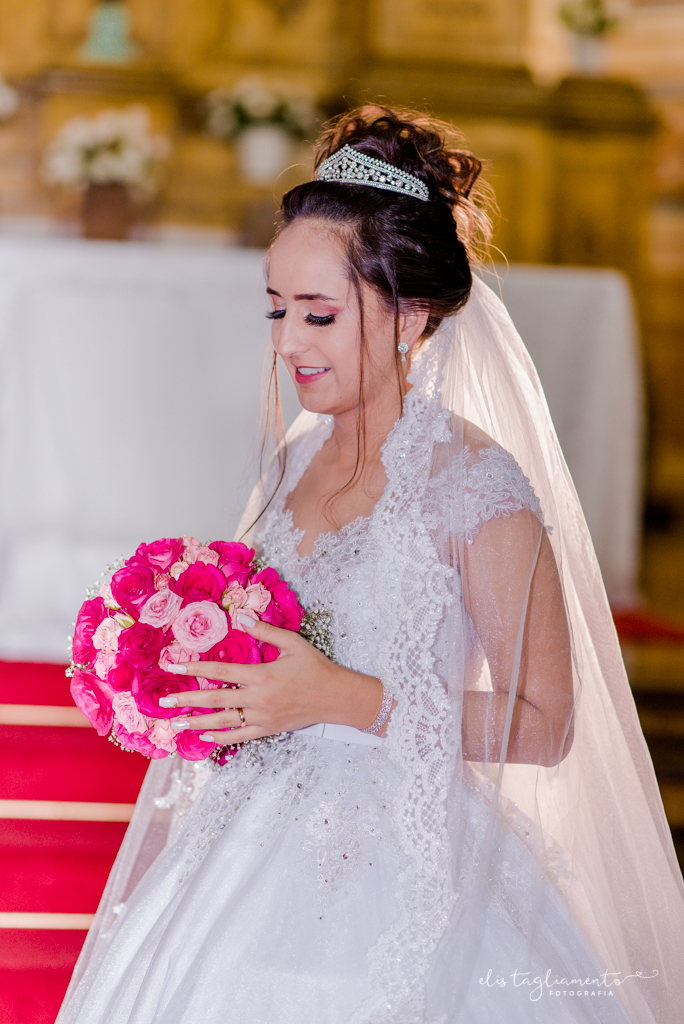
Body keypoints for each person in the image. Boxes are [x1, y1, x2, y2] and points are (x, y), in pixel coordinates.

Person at [57, 106, 684, 1024]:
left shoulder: (476, 486)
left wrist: (335, 696)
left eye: (317, 313)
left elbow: (546, 726)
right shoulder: (295, 460)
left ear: (410, 313)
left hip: (408, 863)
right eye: (275, 310)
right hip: (244, 849)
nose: (285, 344)